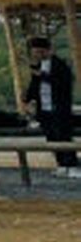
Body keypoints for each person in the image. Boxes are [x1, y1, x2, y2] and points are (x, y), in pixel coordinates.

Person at [23, 35, 77, 176]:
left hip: (59, 107)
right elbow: (34, 85)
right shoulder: (38, 66)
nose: (37, 56)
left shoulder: (60, 65)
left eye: (39, 52)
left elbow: (64, 84)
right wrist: (27, 99)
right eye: (34, 53)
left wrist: (43, 76)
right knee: (51, 137)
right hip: (44, 107)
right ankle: (61, 164)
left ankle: (71, 165)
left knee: (63, 136)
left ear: (46, 50)